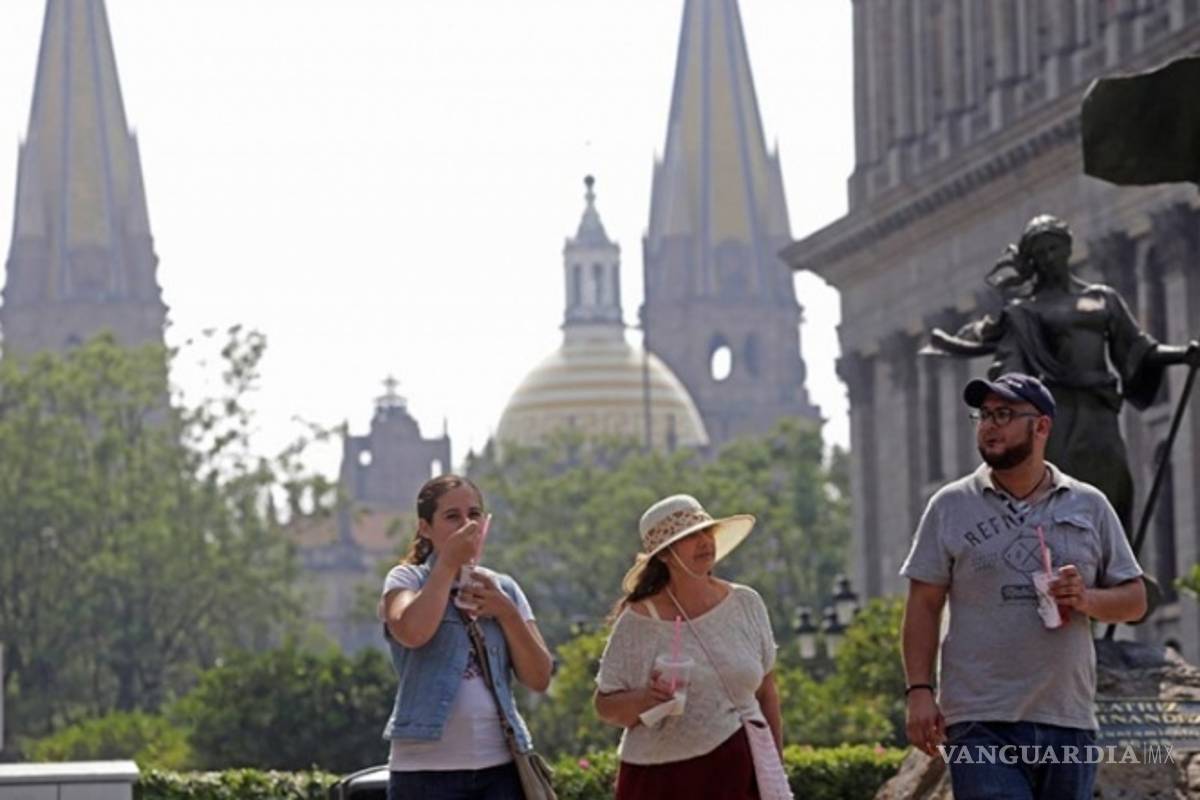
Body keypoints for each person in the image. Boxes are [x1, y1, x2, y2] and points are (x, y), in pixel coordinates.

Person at [901, 373, 1147, 800]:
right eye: (984, 415)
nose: (989, 426)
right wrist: (919, 691)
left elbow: (1136, 601)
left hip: (1068, 719)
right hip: (980, 720)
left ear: (1042, 426)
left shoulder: (1089, 504)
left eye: (1004, 415)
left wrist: (1085, 598)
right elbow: (923, 606)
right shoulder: (950, 506)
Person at [928, 214, 1200, 535]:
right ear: (1031, 260)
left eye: (1053, 248)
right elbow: (1012, 373)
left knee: (1114, 491)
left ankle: (1117, 562)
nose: (1048, 257)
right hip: (1057, 416)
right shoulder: (1025, 312)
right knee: (1059, 498)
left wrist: (1182, 354)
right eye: (1039, 252)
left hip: (1098, 413)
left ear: (1068, 248)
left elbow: (1139, 349)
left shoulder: (1103, 298)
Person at [594, 494, 783, 800]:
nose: (704, 541)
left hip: (744, 774)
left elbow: (767, 694)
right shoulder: (638, 621)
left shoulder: (747, 603)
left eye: (706, 531)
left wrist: (775, 773)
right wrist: (645, 699)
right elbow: (604, 706)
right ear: (665, 555)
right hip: (663, 781)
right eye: (689, 536)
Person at [379, 474, 554, 800]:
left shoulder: (504, 588)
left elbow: (539, 677)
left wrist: (506, 613)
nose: (466, 525)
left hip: (500, 767)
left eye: (474, 515)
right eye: (452, 517)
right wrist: (447, 565)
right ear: (425, 527)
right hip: (424, 770)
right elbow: (412, 631)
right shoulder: (407, 579)